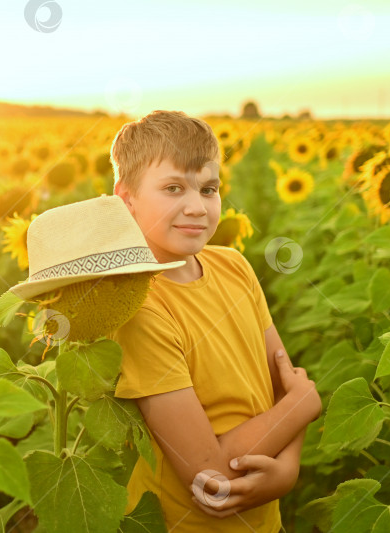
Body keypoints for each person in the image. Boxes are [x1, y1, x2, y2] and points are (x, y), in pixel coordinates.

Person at [106, 110, 321, 532]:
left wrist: (288, 471)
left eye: (208, 188)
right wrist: (304, 404)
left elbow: (284, 384)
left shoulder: (234, 266)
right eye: (173, 188)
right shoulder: (140, 309)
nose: (196, 207)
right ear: (126, 197)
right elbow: (214, 481)